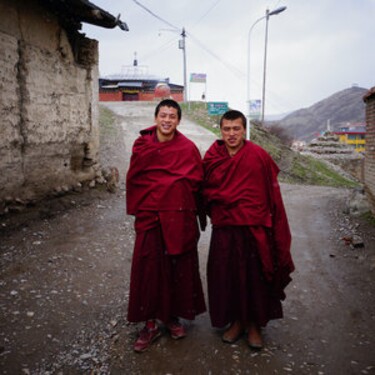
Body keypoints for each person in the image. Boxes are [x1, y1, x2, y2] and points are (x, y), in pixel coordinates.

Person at [202, 110, 294, 349]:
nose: (231, 134)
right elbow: (205, 190)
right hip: (225, 227)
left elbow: (272, 195)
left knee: (254, 276)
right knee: (227, 274)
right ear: (220, 131)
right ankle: (236, 322)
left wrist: (274, 227)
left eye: (236, 129)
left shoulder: (258, 156)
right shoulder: (213, 156)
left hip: (254, 227)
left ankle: (254, 324)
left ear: (244, 130)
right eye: (226, 129)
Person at [126, 99, 206, 353]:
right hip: (150, 217)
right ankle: (149, 323)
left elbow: (195, 183)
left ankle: (172, 317)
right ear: (156, 117)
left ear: (179, 121)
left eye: (172, 116)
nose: (167, 120)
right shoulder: (142, 145)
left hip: (178, 218)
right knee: (149, 268)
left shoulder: (188, 148)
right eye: (163, 115)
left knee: (176, 267)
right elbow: (135, 180)